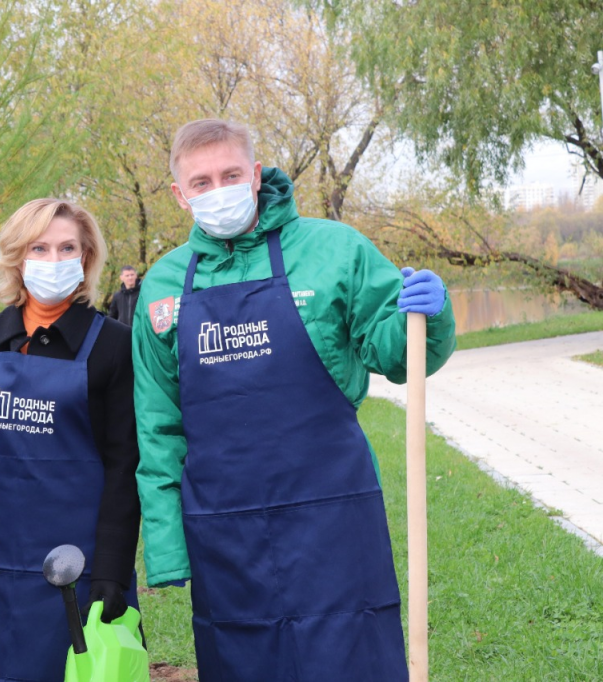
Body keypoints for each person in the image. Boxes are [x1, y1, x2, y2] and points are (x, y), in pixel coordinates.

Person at [133, 119, 456, 681]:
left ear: (255, 176)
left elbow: (398, 356)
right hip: (225, 533)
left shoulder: (334, 250)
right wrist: (166, 547)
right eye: (201, 182)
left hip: (332, 516)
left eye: (231, 174)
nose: (218, 190)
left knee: (347, 657)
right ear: (179, 195)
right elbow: (158, 427)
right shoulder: (162, 287)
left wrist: (426, 315)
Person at [0, 198, 141, 682]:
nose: (54, 260)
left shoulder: (113, 345)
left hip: (74, 571)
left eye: (68, 248)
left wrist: (112, 572)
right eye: (39, 248)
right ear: (17, 257)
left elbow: (124, 466)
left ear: (86, 258)